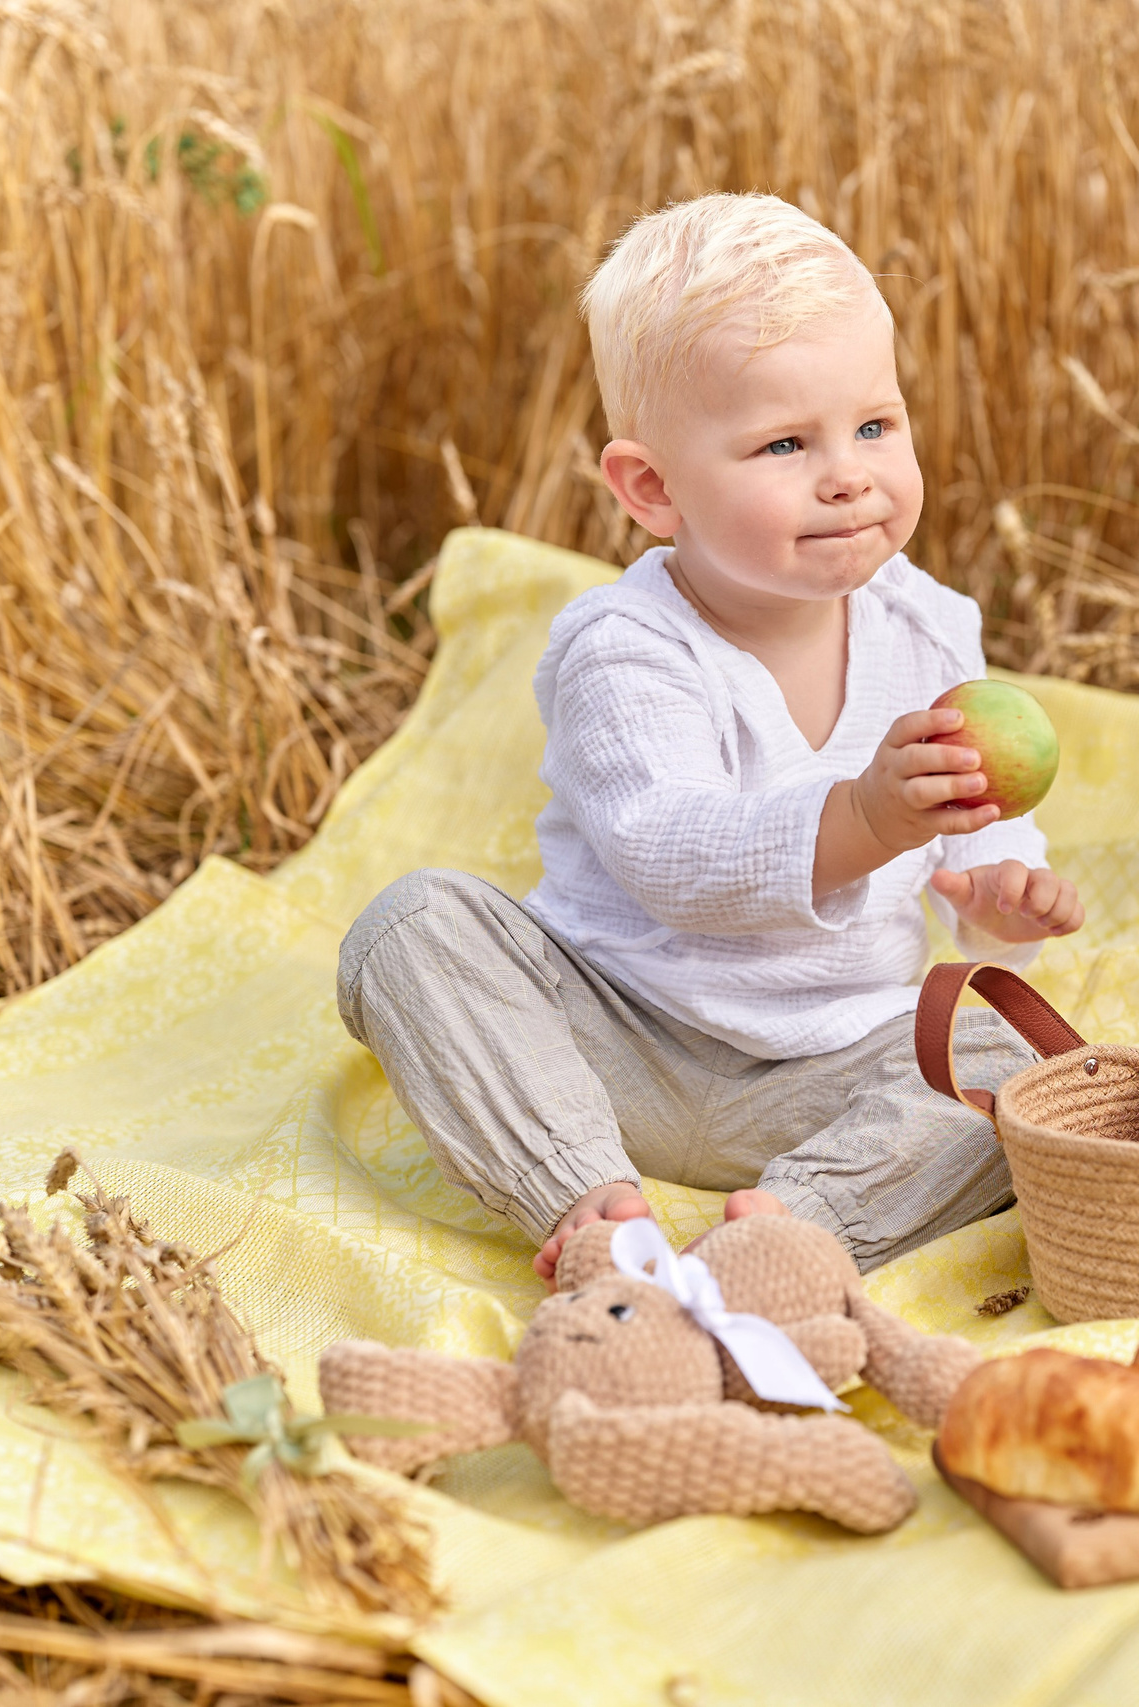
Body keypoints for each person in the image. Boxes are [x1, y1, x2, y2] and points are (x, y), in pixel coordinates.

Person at [337, 193, 1085, 1280]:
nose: (847, 472)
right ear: (652, 489)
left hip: (838, 1054)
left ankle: (792, 1231)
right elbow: (672, 855)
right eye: (785, 442)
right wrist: (866, 815)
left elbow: (972, 827)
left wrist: (1002, 890)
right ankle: (590, 1202)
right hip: (615, 1040)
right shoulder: (623, 648)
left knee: (1028, 1057)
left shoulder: (928, 627)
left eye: (875, 426)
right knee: (408, 931)